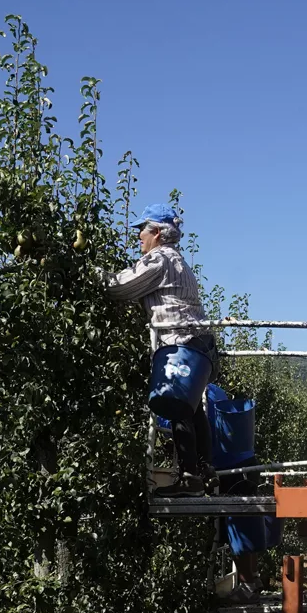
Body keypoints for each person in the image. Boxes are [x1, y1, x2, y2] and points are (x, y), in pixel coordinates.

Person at [107, 202, 216, 494]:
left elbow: (119, 287)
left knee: (176, 403)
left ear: (156, 232)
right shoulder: (179, 260)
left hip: (179, 343)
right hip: (200, 344)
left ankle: (190, 478)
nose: (138, 236)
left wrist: (87, 274)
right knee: (193, 408)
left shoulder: (159, 259)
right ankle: (205, 469)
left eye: (142, 230)